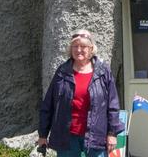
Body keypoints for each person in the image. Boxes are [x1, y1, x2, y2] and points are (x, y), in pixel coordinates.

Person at [38, 29, 122, 157]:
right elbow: (48, 105)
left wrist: (112, 133)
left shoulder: (103, 72)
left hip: (96, 135)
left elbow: (113, 105)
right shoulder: (62, 72)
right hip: (67, 136)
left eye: (83, 46)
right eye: (75, 46)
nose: (78, 50)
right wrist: (43, 134)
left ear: (91, 48)